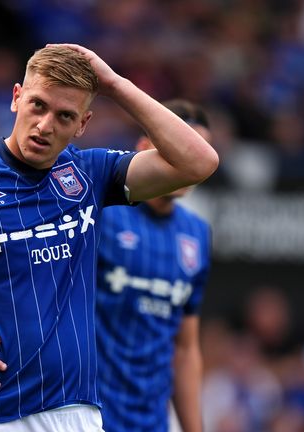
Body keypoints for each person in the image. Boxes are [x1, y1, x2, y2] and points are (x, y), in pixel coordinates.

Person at [0, 44, 219, 431]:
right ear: (16, 98)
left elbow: (198, 162)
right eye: (38, 105)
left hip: (78, 414)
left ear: (82, 124)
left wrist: (115, 85)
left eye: (65, 116)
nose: (46, 125)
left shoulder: (89, 174)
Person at [95, 99, 212, 432]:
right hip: (86, 416)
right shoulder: (103, 214)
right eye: (184, 147)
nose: (193, 158)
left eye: (200, 150)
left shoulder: (196, 235)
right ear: (144, 148)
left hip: (151, 423)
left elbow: (185, 348)